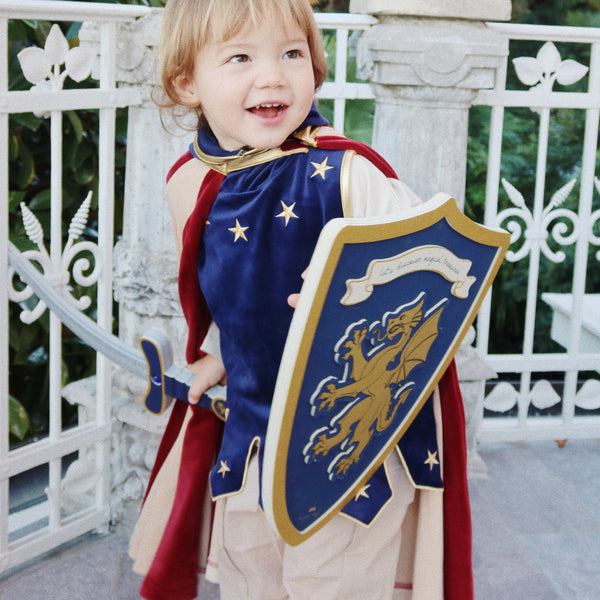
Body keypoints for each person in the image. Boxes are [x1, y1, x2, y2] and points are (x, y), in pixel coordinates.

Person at [129, 1, 473, 598]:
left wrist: (350, 290)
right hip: (253, 434)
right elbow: (230, 294)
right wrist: (219, 353)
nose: (273, 77)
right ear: (187, 82)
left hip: (347, 442)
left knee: (331, 583)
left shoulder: (347, 175)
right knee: (252, 574)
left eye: (292, 54)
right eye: (240, 57)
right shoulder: (189, 181)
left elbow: (436, 290)